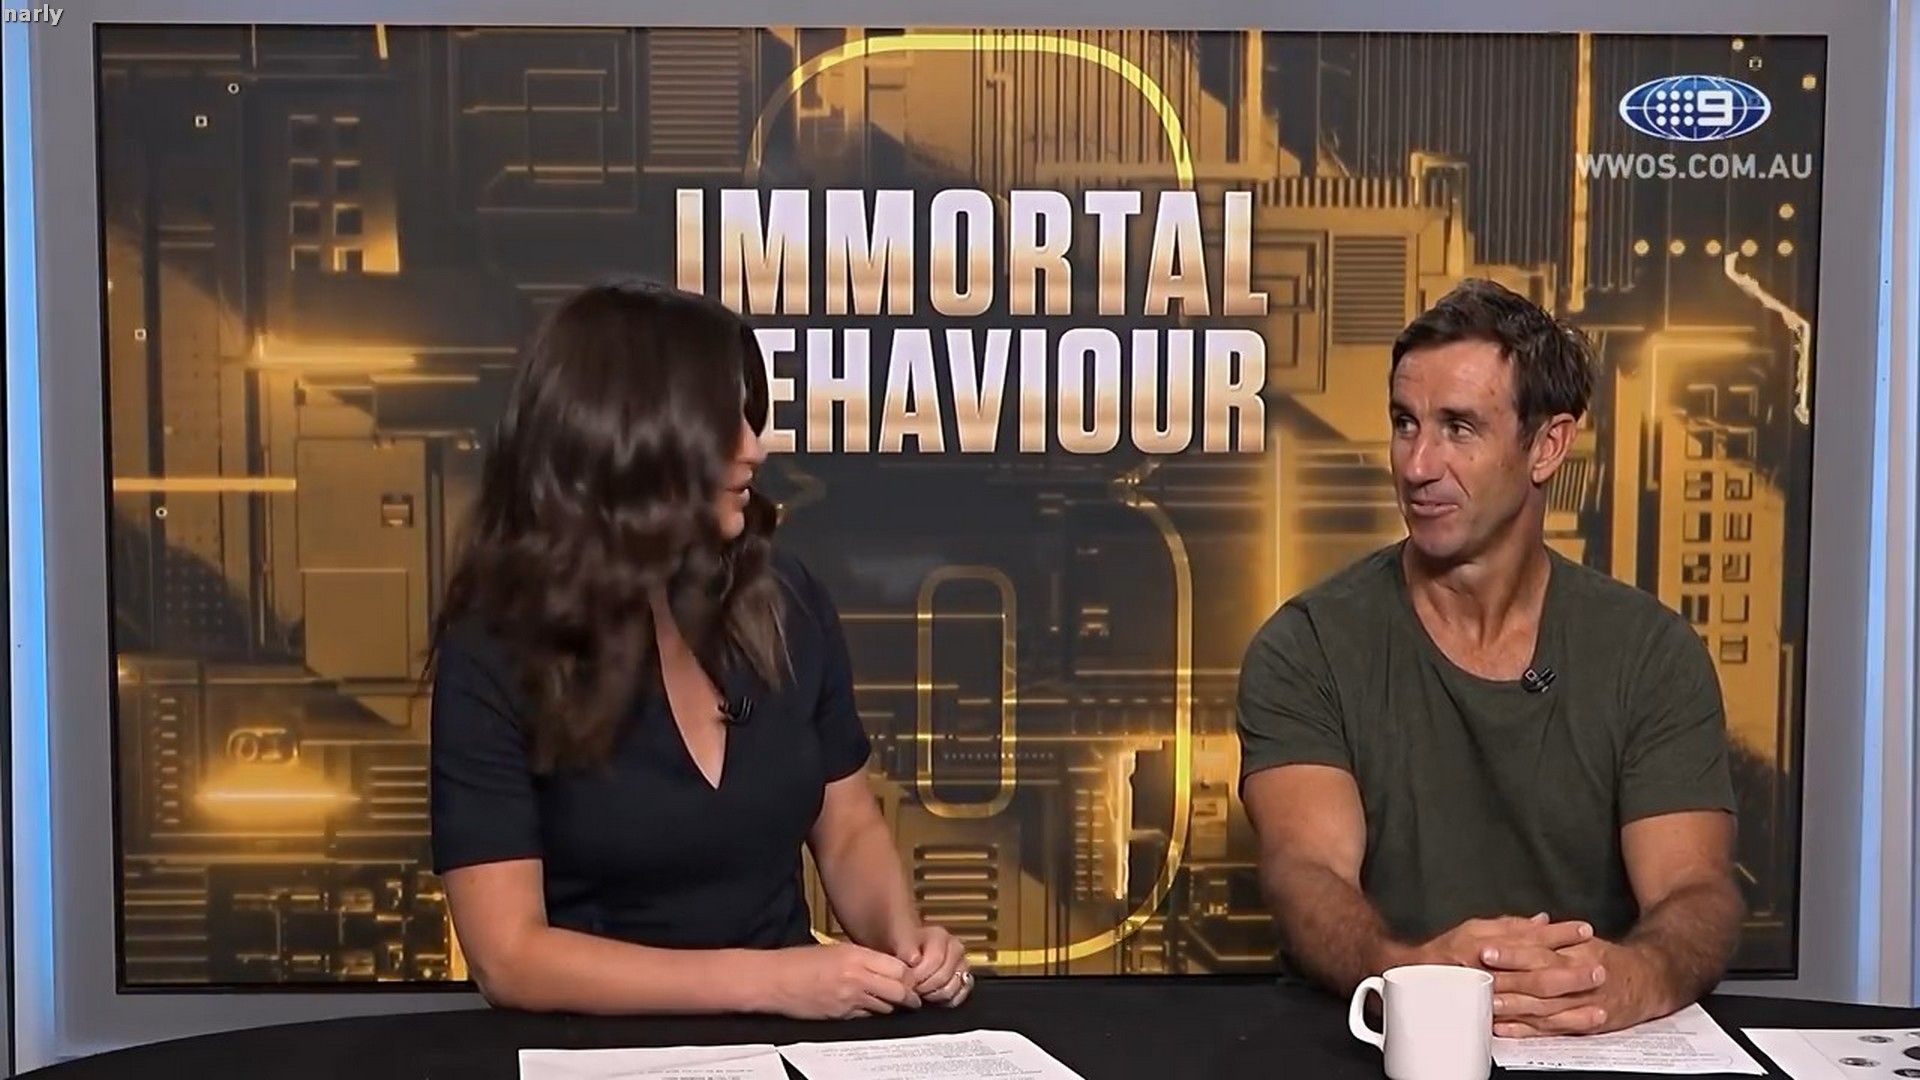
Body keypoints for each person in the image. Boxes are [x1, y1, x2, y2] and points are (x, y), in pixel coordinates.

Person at [427, 278, 973, 1019]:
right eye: (721, 425)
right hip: (601, 1052)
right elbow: (510, 958)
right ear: (627, 441)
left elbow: (848, 827)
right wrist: (775, 983)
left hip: (796, 1039)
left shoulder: (784, 596)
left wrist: (904, 947)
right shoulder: (495, 645)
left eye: (749, 418)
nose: (755, 447)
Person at [1236, 278, 1744, 1038]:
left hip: (1586, 1043)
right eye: (1405, 424)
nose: (1418, 464)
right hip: (1374, 1046)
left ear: (1548, 446)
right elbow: (1306, 873)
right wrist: (1410, 973)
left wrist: (1632, 978)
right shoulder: (1307, 646)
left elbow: (1694, 890)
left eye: (1459, 428)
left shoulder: (1651, 654)